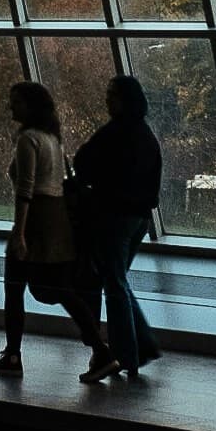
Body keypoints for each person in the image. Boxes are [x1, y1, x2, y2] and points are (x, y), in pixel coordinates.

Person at [0, 79, 117, 385]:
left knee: (14, 288)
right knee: (61, 289)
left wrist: (19, 232)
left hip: (37, 221)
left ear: (30, 106)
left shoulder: (28, 139)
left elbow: (26, 188)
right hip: (57, 221)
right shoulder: (52, 139)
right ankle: (100, 348)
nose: (10, 106)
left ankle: (13, 356)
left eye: (16, 101)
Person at [73, 75, 163, 381]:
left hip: (112, 216)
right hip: (138, 217)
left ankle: (125, 354)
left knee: (114, 285)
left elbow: (83, 163)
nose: (107, 100)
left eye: (112, 95)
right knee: (118, 282)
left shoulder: (114, 134)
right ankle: (140, 347)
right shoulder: (146, 136)